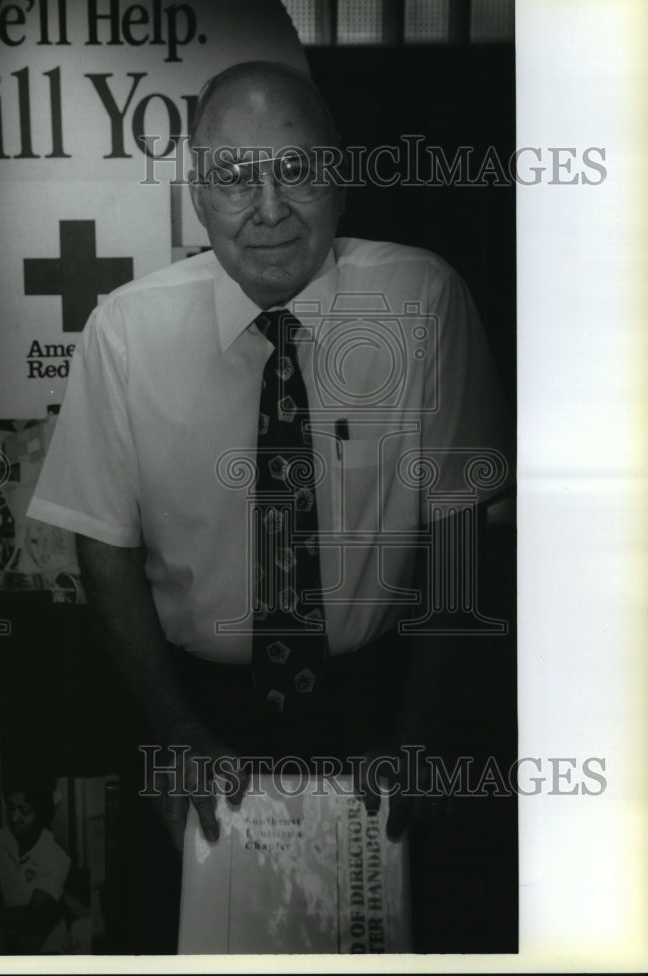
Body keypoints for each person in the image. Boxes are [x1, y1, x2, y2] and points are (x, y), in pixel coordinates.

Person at [28, 61, 513, 950]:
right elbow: (104, 546)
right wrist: (170, 722)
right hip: (189, 708)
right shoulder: (125, 330)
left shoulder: (423, 299)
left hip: (376, 705)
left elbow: (457, 529)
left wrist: (419, 732)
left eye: (295, 169)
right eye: (234, 176)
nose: (268, 208)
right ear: (195, 193)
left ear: (339, 173)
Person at [0, 782, 71, 953]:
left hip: (49, 951)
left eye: (24, 810)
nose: (14, 818)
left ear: (41, 815)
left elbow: (31, 916)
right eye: (10, 808)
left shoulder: (57, 858)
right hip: (13, 945)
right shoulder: (4, 839)